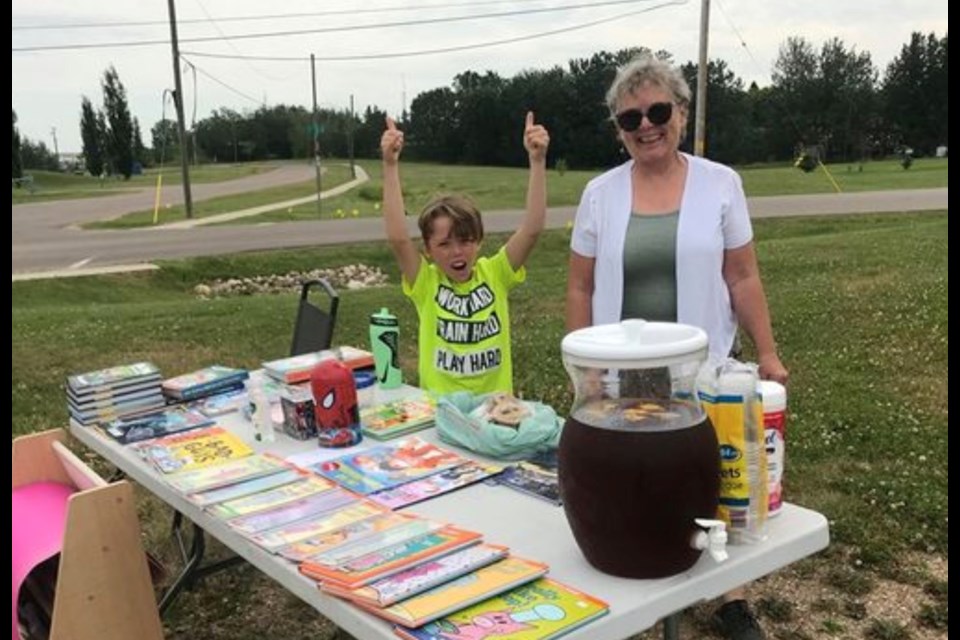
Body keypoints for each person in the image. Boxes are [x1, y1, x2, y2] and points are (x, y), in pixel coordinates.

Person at [564, 53, 788, 640]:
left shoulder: (721, 184)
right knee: (629, 485)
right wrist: (580, 366)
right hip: (620, 376)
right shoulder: (599, 194)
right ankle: (642, 589)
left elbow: (742, 276)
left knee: (710, 481)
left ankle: (728, 597)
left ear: (680, 114)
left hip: (700, 373)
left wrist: (767, 353)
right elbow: (580, 284)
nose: (645, 126)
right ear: (618, 129)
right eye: (629, 118)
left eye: (657, 111)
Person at [380, 112, 549, 396]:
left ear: (480, 241)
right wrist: (389, 165)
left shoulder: (496, 273)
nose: (457, 252)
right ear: (429, 251)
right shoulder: (426, 283)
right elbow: (398, 239)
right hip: (441, 413)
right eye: (444, 244)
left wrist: (537, 161)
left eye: (466, 240)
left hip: (495, 412)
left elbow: (531, 229)